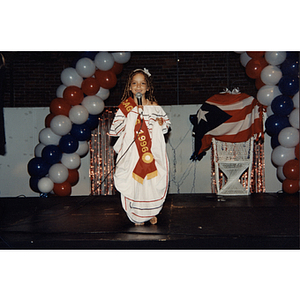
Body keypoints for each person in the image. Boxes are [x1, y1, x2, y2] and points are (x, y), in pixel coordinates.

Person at [109, 68, 171, 225]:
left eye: (142, 83)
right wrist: (130, 119)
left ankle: (151, 213)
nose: (138, 86)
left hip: (151, 152)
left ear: (148, 87)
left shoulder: (154, 106)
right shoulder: (126, 106)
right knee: (135, 183)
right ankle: (136, 214)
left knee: (150, 183)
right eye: (134, 83)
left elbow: (166, 124)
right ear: (130, 87)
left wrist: (159, 123)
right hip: (133, 154)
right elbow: (116, 129)